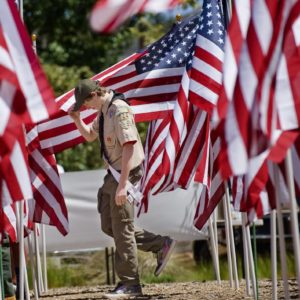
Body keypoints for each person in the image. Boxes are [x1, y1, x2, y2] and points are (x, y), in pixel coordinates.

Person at [69, 79, 176, 299]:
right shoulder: (103, 110)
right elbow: (90, 135)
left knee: (122, 227)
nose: (85, 107)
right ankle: (160, 243)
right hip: (114, 174)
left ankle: (130, 284)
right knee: (109, 225)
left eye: (85, 103)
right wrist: (77, 120)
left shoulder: (118, 108)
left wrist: (124, 184)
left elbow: (129, 146)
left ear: (94, 95)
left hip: (126, 173)